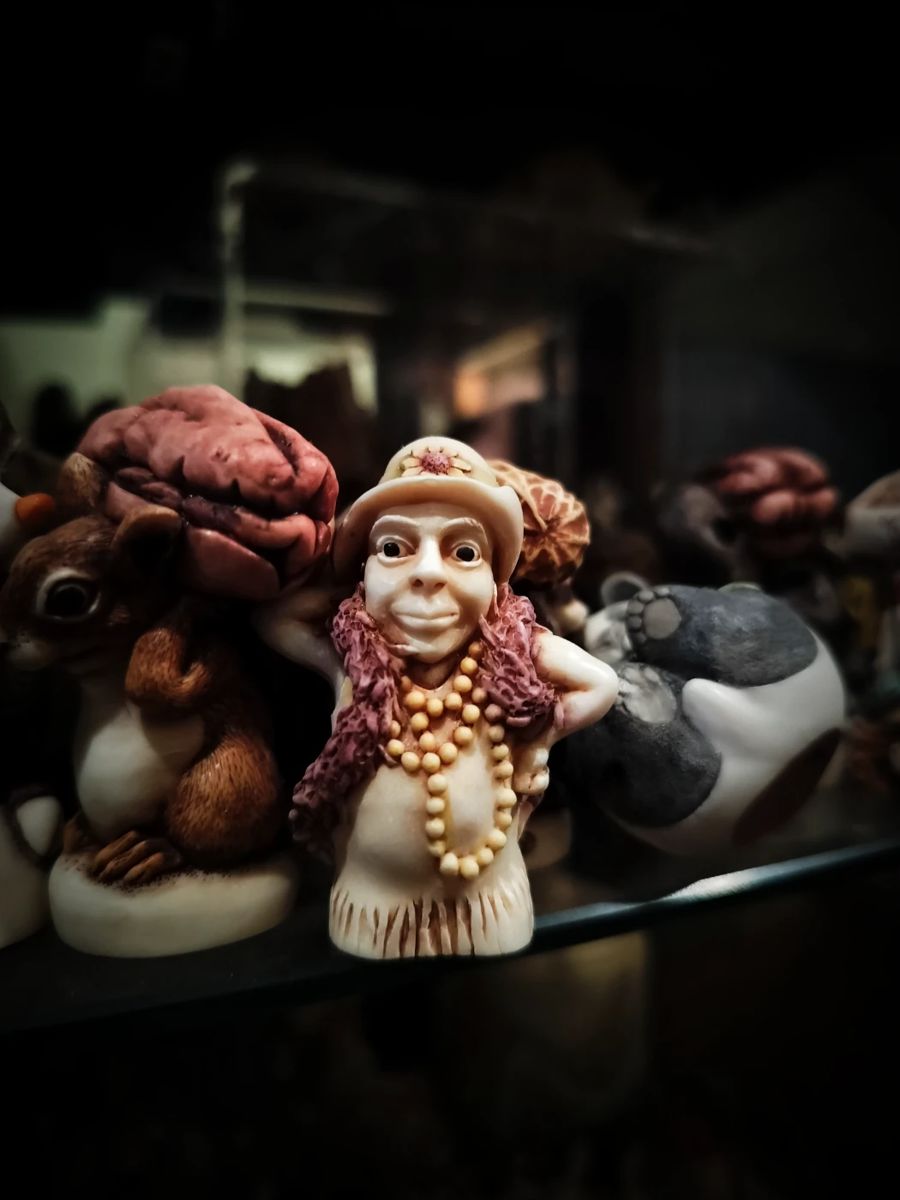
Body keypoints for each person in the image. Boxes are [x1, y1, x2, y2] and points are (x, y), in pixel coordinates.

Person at [256, 438, 618, 958]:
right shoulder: (354, 658)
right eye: (393, 549)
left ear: (495, 583)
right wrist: (353, 596)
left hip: (489, 902)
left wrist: (539, 730)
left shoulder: (508, 664)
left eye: (464, 552)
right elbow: (276, 618)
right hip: (372, 904)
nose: (428, 572)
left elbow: (600, 682)